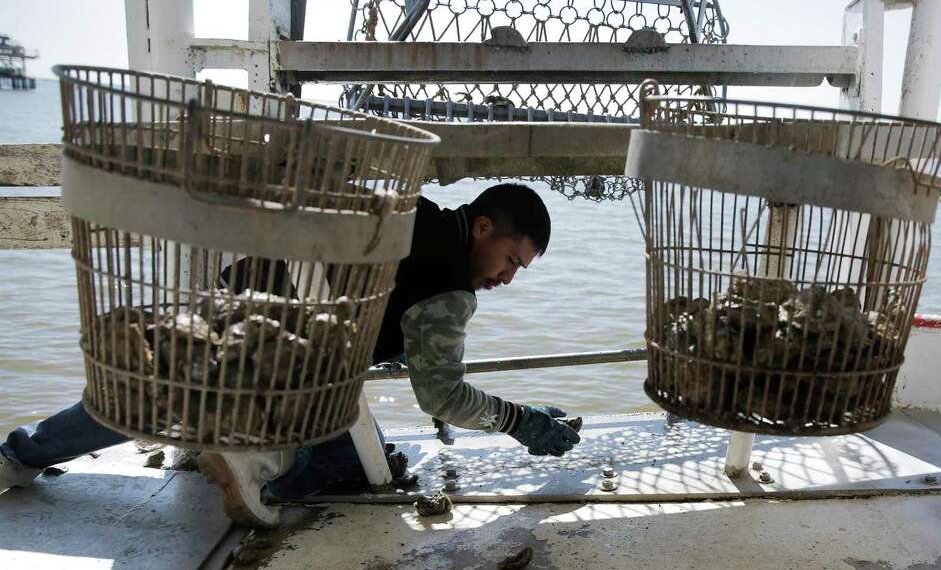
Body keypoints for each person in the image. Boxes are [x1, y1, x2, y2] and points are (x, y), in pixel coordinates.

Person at [0, 183, 581, 528]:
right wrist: (518, 420)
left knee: (147, 391)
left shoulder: (414, 209)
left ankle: (19, 453)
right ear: (482, 227)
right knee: (349, 468)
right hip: (284, 361)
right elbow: (442, 395)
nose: (506, 278)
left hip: (238, 299)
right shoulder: (451, 287)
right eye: (509, 259)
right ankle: (262, 470)